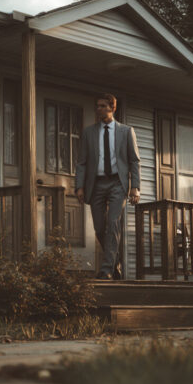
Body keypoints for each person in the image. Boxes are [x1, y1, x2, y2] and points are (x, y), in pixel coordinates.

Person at [75, 93, 141, 280]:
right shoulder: (89, 132)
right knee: (99, 227)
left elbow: (134, 161)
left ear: (112, 108)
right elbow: (81, 162)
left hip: (117, 184)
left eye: (103, 106)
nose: (99, 109)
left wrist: (135, 187)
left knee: (113, 223)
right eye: (97, 106)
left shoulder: (126, 131)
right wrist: (79, 186)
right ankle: (115, 261)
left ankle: (106, 270)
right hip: (95, 184)